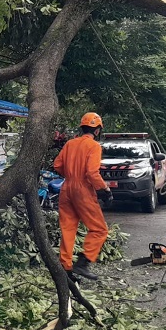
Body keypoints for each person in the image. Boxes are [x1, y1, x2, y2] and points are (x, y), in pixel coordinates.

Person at [53, 112, 112, 281]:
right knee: (99, 229)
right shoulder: (94, 146)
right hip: (83, 190)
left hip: (66, 188)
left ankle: (66, 269)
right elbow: (92, 173)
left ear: (82, 127)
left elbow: (57, 165)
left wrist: (71, 174)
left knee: (68, 228)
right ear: (97, 130)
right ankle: (83, 263)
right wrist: (105, 189)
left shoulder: (70, 144)